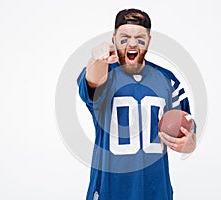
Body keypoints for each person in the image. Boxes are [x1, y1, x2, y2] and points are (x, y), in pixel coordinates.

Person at [77, 8, 196, 200]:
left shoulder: (168, 79)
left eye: (140, 38)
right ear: (114, 38)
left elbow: (188, 131)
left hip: (156, 190)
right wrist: (97, 59)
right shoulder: (105, 73)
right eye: (124, 37)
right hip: (110, 190)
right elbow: (93, 81)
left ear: (149, 40)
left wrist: (188, 143)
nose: (132, 43)